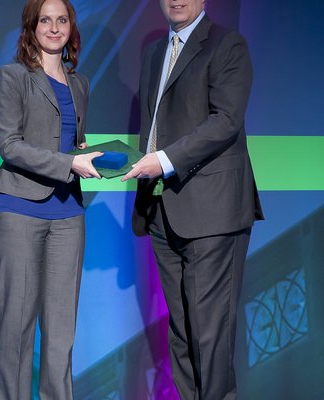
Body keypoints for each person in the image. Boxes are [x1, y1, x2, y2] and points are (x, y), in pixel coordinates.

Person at [122, 0, 264, 399]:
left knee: (210, 335)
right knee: (182, 334)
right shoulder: (155, 53)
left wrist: (164, 161)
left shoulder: (227, 44)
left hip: (213, 212)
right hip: (162, 211)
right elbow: (155, 128)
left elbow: (225, 121)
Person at [0, 0, 102, 398]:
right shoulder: (12, 76)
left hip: (69, 214)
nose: (54, 28)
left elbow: (72, 141)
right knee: (16, 330)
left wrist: (89, 155)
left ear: (71, 27)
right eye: (45, 20)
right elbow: (9, 145)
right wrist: (69, 162)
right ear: (31, 27)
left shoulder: (80, 83)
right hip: (20, 210)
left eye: (62, 20)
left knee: (61, 334)